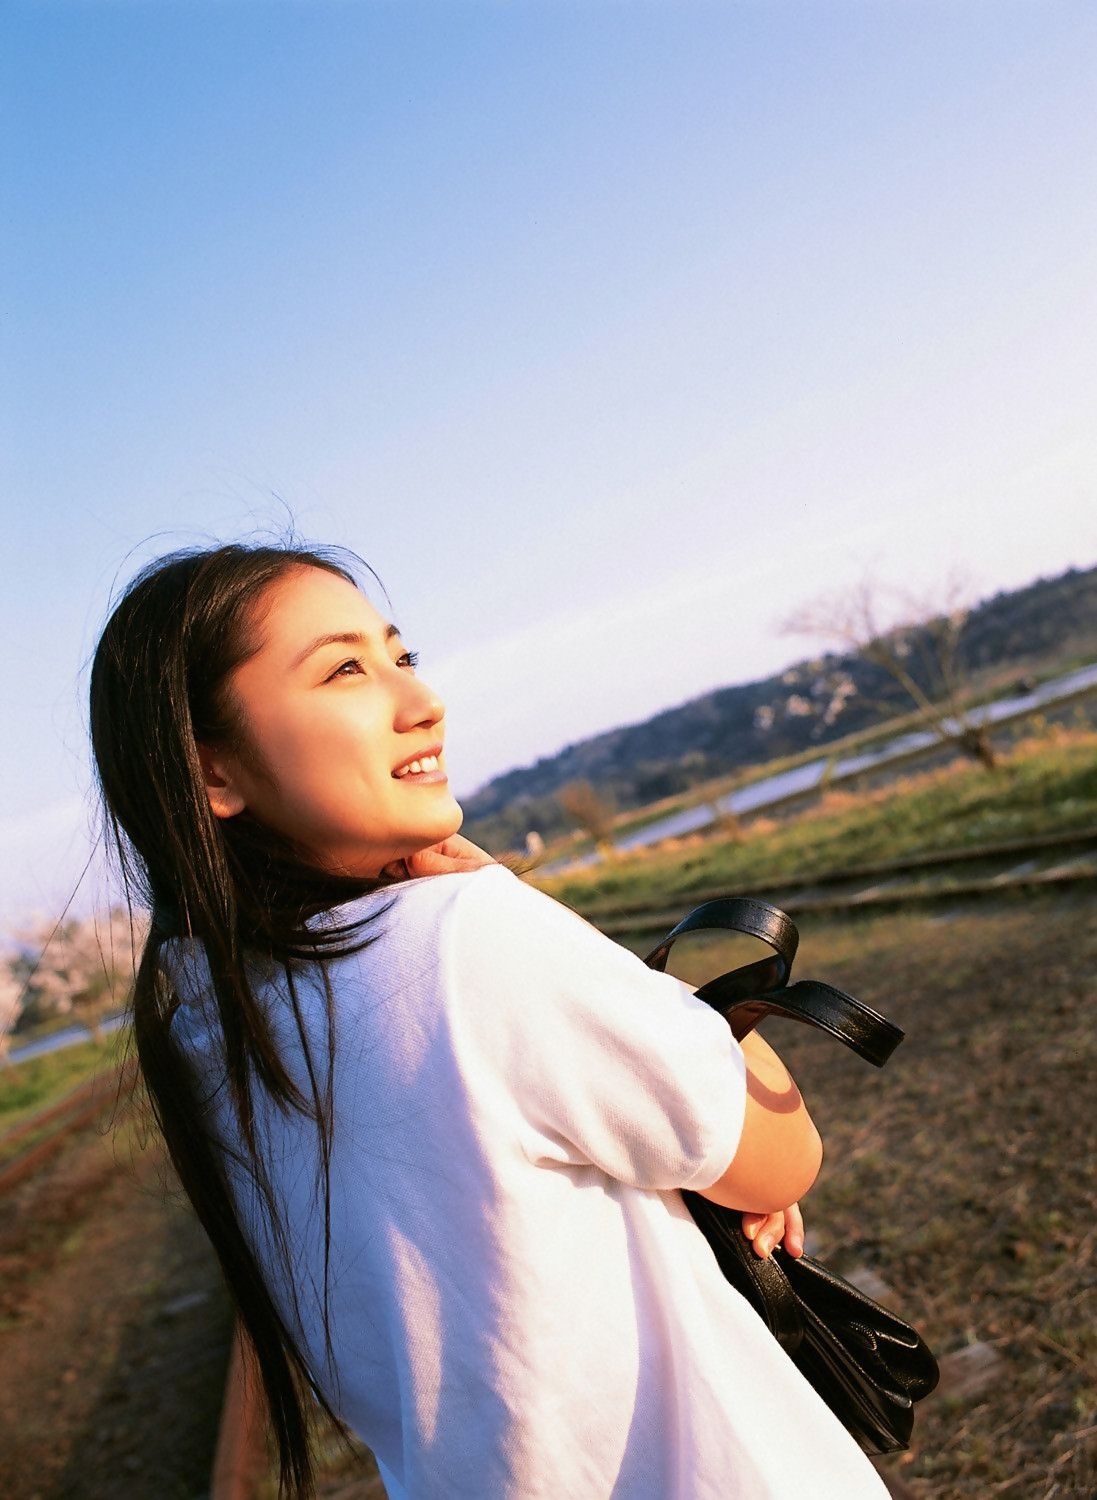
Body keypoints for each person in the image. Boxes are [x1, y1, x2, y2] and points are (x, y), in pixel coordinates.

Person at [89, 538, 889, 1499]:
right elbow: (780, 1158)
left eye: (401, 655)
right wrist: (521, 907)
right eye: (344, 670)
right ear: (213, 772)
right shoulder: (462, 938)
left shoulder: (208, 1020)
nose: (421, 701)